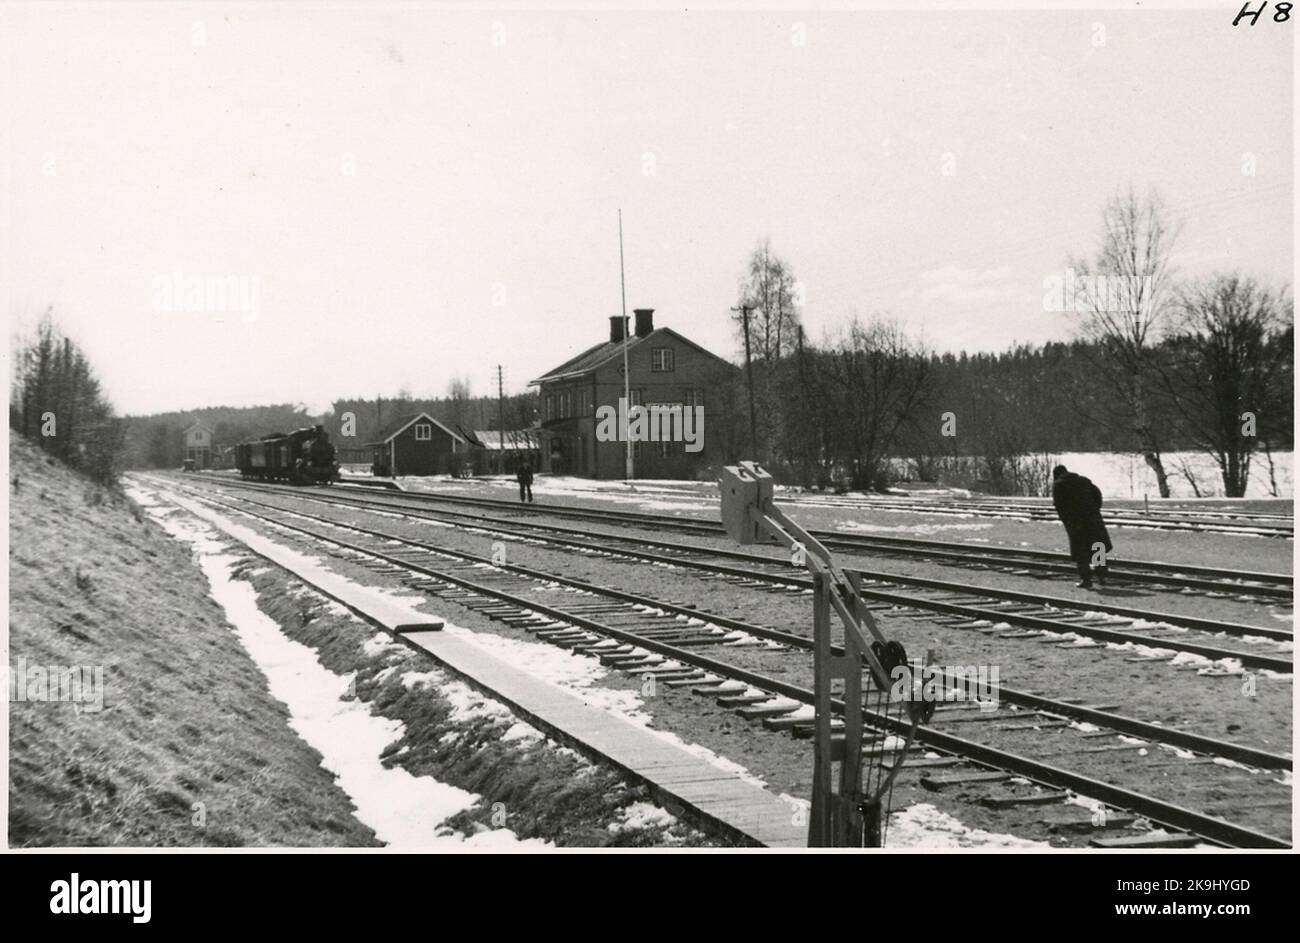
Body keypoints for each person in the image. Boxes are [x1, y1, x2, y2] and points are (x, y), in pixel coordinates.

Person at [1051, 464, 1112, 588]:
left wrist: (1067, 520)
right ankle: (1101, 576)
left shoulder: (1058, 485)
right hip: (1093, 519)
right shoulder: (1084, 481)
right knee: (1097, 547)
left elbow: (1059, 506)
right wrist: (1094, 510)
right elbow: (1097, 496)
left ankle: (1086, 580)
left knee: (1081, 552)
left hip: (1075, 523)